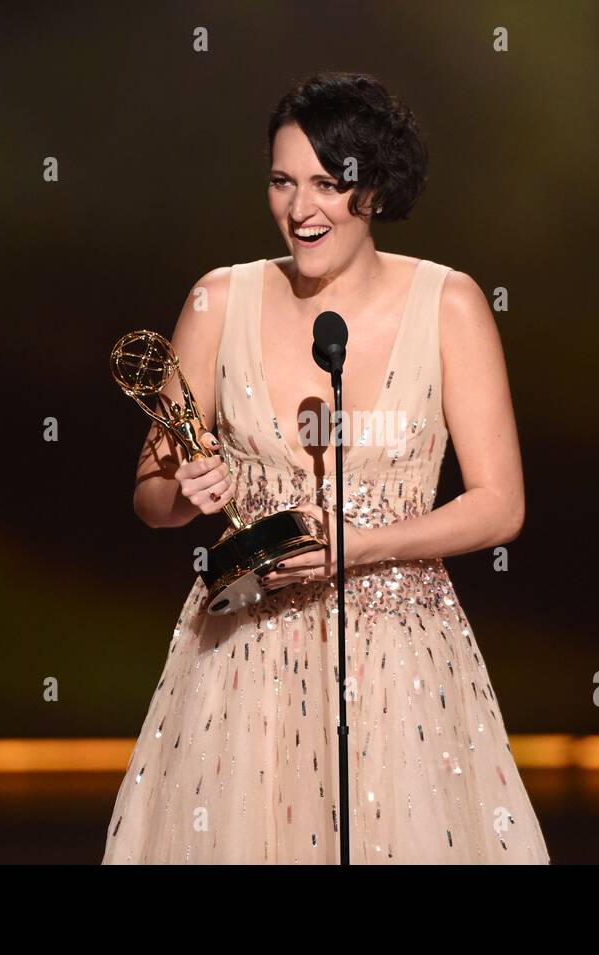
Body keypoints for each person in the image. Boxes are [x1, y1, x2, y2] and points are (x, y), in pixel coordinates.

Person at [102, 71, 550, 864]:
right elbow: (151, 496)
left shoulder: (448, 305)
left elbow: (499, 504)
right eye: (282, 181)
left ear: (372, 190)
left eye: (325, 183)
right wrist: (182, 489)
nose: (300, 209)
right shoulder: (218, 300)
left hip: (402, 669)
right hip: (242, 664)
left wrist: (362, 548)